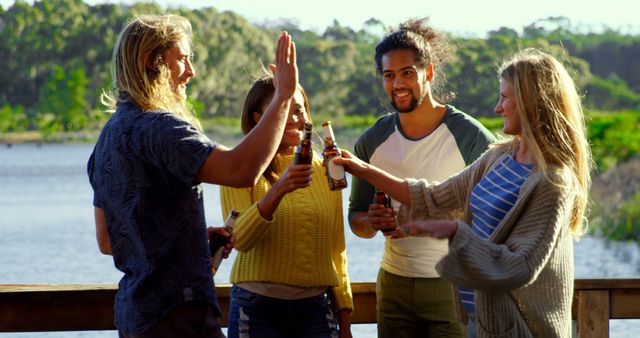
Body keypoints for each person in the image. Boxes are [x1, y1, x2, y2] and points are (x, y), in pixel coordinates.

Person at [336, 48, 592, 337]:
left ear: (530, 101)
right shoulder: (498, 157)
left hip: (520, 329)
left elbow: (517, 266)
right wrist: (361, 169)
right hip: (478, 323)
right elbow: (433, 196)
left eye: (504, 97)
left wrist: (453, 232)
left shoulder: (552, 181)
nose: (497, 108)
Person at [87, 14, 299, 338]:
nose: (191, 71)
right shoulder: (160, 127)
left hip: (136, 318)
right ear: (151, 60)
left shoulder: (107, 139)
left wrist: (192, 241)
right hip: (178, 317)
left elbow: (108, 241)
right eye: (183, 59)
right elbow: (241, 170)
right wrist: (283, 96)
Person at [347, 18, 495, 338]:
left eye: (407, 73)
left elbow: (493, 220)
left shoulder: (471, 137)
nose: (397, 84)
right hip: (393, 285)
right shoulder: (371, 141)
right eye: (389, 76)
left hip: (454, 284)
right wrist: (371, 222)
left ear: (427, 72)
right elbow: (356, 220)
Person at [220, 75, 353, 338]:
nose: (294, 118)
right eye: (284, 109)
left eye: (299, 109)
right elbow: (241, 241)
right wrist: (280, 188)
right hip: (257, 308)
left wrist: (345, 320)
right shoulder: (240, 166)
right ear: (259, 118)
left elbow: (337, 250)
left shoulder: (327, 168)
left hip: (316, 309)